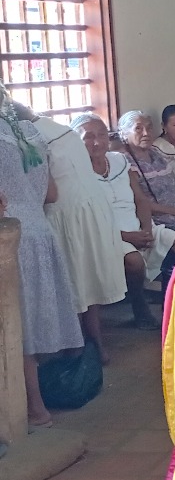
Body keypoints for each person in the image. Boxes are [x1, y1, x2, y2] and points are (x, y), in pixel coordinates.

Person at [0, 82, 84, 427]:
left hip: (9, 236)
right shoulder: (30, 131)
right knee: (28, 324)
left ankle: (30, 409)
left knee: (13, 327)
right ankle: (38, 405)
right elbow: (50, 194)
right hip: (37, 230)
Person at [29, 107, 126, 364]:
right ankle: (88, 346)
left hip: (68, 214)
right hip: (83, 211)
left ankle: (82, 348)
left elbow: (49, 193)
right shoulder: (60, 133)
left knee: (77, 285)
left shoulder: (36, 137)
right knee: (84, 284)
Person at [78, 114, 175, 328]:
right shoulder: (78, 172)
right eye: (89, 137)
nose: (98, 142)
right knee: (134, 260)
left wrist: (146, 228)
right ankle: (140, 308)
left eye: (102, 135)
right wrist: (128, 236)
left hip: (139, 226)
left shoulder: (119, 161)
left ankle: (174, 310)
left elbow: (140, 199)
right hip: (109, 234)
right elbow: (87, 218)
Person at [118, 110, 175, 249]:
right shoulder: (125, 162)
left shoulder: (155, 154)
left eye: (149, 128)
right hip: (162, 218)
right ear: (124, 134)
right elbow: (143, 202)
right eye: (138, 129)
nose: (146, 133)